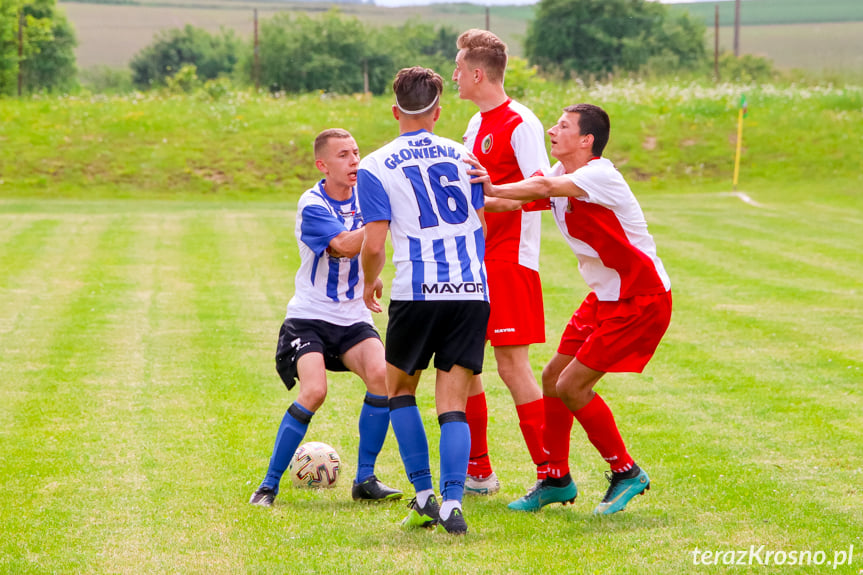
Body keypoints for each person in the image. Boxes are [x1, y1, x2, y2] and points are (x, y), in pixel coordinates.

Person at [467, 103, 672, 515]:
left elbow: (537, 190)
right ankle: (555, 478)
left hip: (640, 298)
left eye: (562, 126)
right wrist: (465, 195)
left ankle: (626, 471)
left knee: (571, 386)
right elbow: (519, 197)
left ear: (586, 140)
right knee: (551, 377)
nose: (551, 130)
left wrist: (489, 186)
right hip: (605, 296)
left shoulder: (598, 175)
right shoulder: (561, 175)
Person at [358, 67, 490, 535]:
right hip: (471, 291)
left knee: (400, 392)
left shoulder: (374, 164)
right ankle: (454, 503)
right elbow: (480, 222)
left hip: (417, 291)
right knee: (453, 403)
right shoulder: (465, 156)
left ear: (395, 111)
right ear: (438, 111)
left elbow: (374, 245)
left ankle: (422, 495)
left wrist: (370, 282)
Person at [249, 129, 402, 508]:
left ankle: (365, 478)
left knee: (382, 378)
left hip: (352, 317)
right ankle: (268, 486)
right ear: (323, 165)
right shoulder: (313, 202)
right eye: (343, 155)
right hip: (310, 318)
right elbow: (345, 246)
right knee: (315, 391)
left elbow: (372, 253)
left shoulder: (367, 195)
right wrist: (383, 218)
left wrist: (372, 276)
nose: (354, 161)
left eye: (356, 152)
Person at [452, 28, 551, 498]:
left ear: (476, 73)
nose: (453, 76)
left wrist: (491, 196)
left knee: (513, 368)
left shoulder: (521, 123)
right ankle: (479, 472)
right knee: (465, 365)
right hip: (474, 260)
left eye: (457, 69)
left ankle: (552, 475)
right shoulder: (474, 124)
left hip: (510, 259)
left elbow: (541, 190)